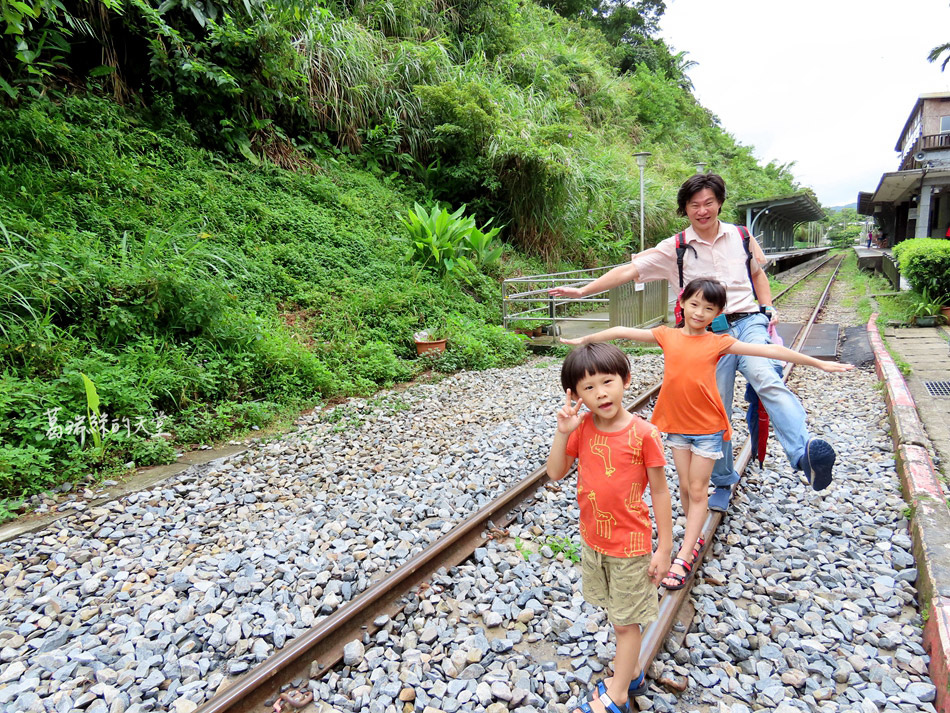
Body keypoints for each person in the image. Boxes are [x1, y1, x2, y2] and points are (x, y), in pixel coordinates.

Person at [549, 173, 839, 513]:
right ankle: (724, 478)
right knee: (714, 408)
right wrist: (583, 291)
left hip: (748, 322)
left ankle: (804, 453)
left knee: (765, 376)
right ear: (685, 209)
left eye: (709, 203)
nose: (703, 211)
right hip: (707, 334)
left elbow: (757, 273)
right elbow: (630, 271)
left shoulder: (743, 235)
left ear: (719, 203)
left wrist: (768, 305)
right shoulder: (675, 247)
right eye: (694, 205)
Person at [561, 278, 854, 590]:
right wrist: (586, 340)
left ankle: (685, 553)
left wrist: (819, 364)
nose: (700, 312)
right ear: (683, 303)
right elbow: (621, 331)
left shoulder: (718, 343)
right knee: (686, 488)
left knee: (699, 490)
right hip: (676, 427)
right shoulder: (667, 336)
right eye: (695, 304)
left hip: (707, 430)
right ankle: (694, 534)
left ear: (718, 314)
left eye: (709, 308)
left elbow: (768, 351)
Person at [547, 343, 673, 713]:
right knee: (616, 611)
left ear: (626, 381)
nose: (600, 393)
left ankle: (618, 694)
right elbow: (555, 473)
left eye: (608, 381)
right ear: (575, 395)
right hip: (594, 539)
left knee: (624, 622)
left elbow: (661, 493)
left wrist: (665, 549)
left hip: (631, 544)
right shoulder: (581, 427)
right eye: (588, 388)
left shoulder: (644, 434)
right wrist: (562, 431)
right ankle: (630, 671)